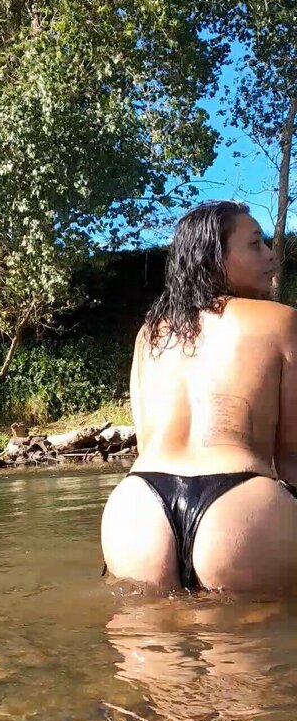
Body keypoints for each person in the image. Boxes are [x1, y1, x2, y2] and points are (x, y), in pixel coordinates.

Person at [101, 200, 297, 594]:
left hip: (138, 507)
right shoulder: (281, 320)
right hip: (241, 508)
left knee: (147, 628)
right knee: (257, 631)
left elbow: (145, 444)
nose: (270, 255)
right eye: (255, 244)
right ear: (213, 258)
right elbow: (292, 454)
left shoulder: (149, 334)